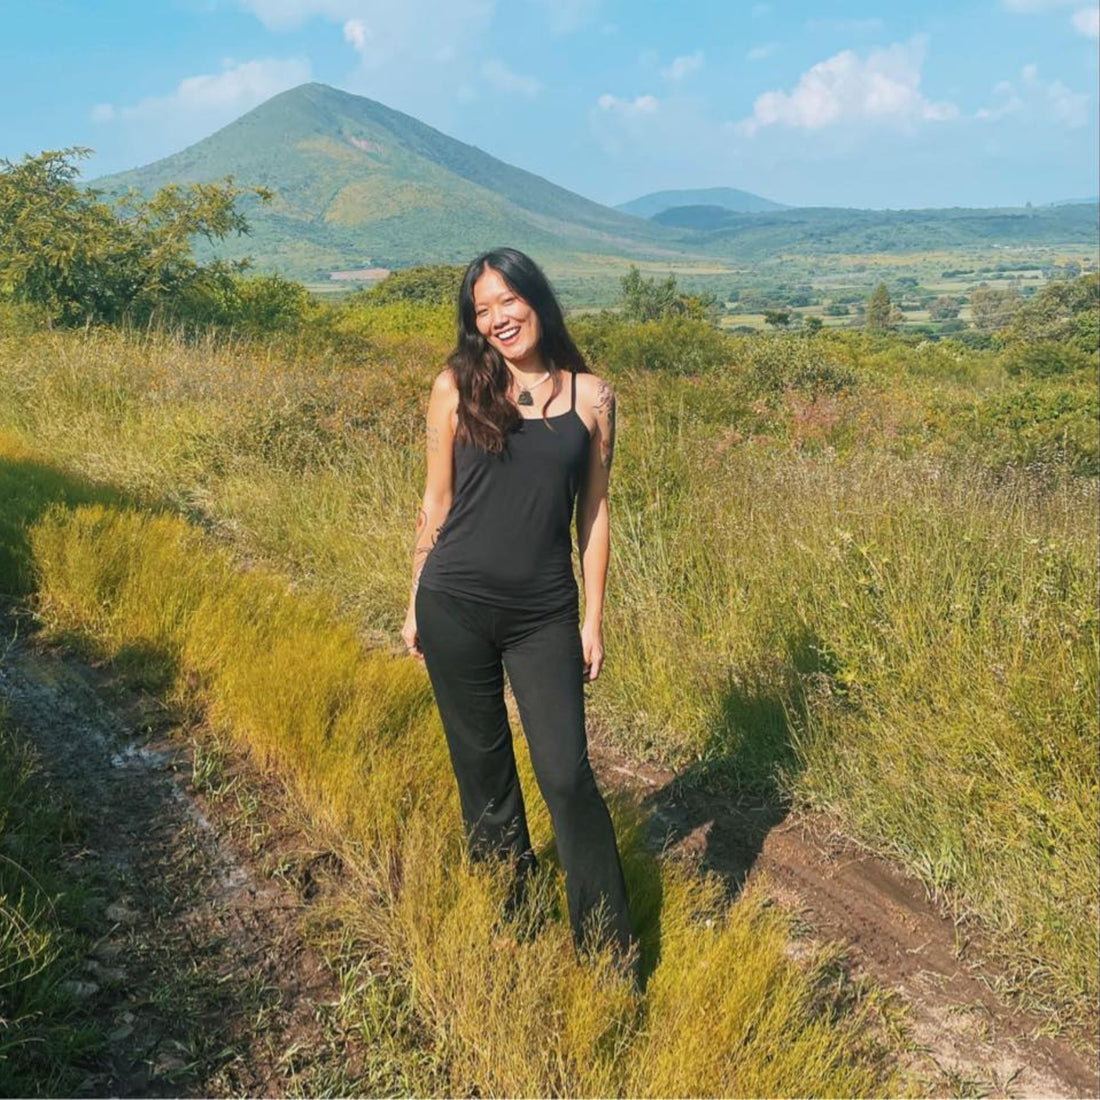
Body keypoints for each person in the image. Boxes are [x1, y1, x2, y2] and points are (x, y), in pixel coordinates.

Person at [401, 246, 638, 979]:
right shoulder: (455, 386)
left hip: (543, 615)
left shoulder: (592, 399)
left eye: (508, 300)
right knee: (485, 775)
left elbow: (593, 517)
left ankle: (607, 955)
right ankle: (512, 914)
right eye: (483, 309)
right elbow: (435, 504)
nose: (498, 317)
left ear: (537, 298)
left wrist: (592, 619)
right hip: (455, 604)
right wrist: (413, 601)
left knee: (566, 775)